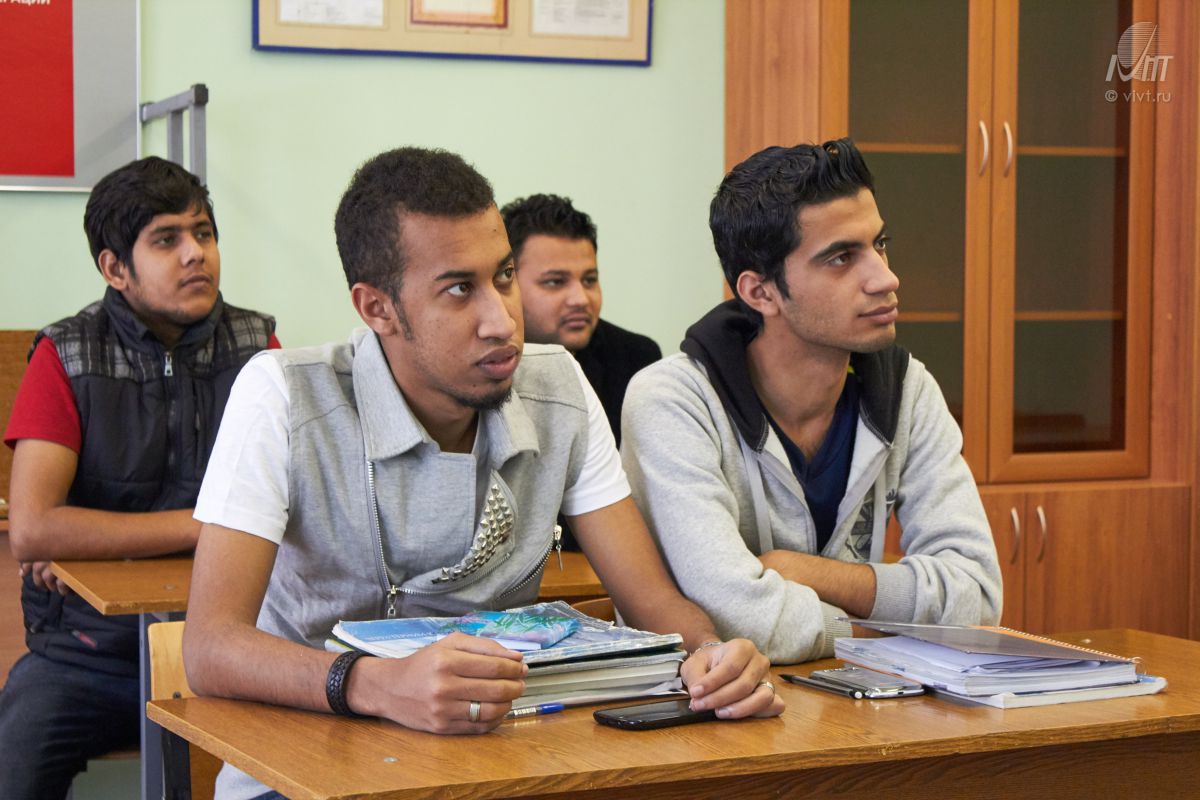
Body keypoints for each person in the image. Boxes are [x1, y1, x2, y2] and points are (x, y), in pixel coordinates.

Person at [182, 147, 782, 800]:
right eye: (459, 289)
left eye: (503, 277)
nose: (502, 320)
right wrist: (377, 684)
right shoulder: (283, 395)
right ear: (377, 308)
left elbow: (651, 602)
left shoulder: (558, 386)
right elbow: (210, 648)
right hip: (304, 770)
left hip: (500, 762)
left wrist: (711, 654)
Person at [620, 139, 1003, 664]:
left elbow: (979, 598)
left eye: (880, 244)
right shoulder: (673, 402)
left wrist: (807, 572)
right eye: (841, 258)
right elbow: (735, 619)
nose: (886, 278)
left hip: (858, 698)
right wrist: (891, 629)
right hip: (714, 705)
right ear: (760, 293)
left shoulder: (907, 390)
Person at [0, 156, 278, 799]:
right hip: (90, 654)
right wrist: (208, 525)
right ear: (115, 268)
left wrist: (92, 538)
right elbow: (34, 529)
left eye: (203, 233)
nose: (195, 254)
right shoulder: (67, 353)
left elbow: (297, 504)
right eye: (166, 239)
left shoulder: (258, 349)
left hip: (233, 648)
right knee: (14, 766)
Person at [500, 193, 661, 444]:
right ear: (508, 283)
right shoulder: (484, 362)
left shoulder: (635, 358)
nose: (581, 299)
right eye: (555, 282)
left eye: (589, 280)